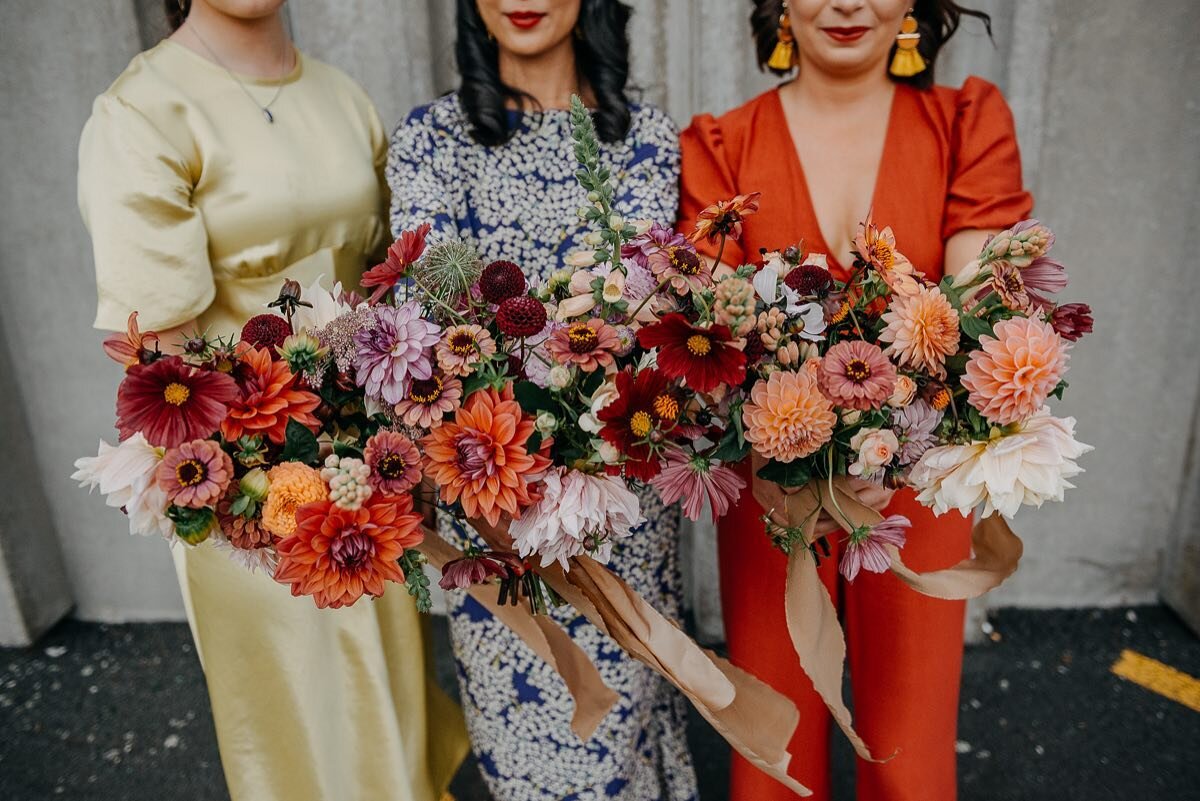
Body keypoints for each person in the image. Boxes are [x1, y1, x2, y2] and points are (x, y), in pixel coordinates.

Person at [77, 2, 467, 799]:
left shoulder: (341, 95)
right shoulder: (143, 111)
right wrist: (272, 477)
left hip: (371, 471)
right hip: (249, 481)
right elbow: (162, 355)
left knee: (388, 710)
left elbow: (381, 278)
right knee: (315, 731)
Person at [678, 1, 1033, 799]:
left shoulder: (964, 124)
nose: (846, 4)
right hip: (772, 479)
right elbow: (709, 324)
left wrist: (893, 448)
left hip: (917, 476)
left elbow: (976, 317)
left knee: (907, 744)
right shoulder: (720, 145)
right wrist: (786, 452)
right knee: (775, 738)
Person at [387, 2, 697, 799]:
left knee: (626, 737)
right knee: (524, 750)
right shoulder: (430, 139)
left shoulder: (647, 140)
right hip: (487, 498)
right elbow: (430, 312)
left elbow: (634, 313)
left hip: (614, 499)